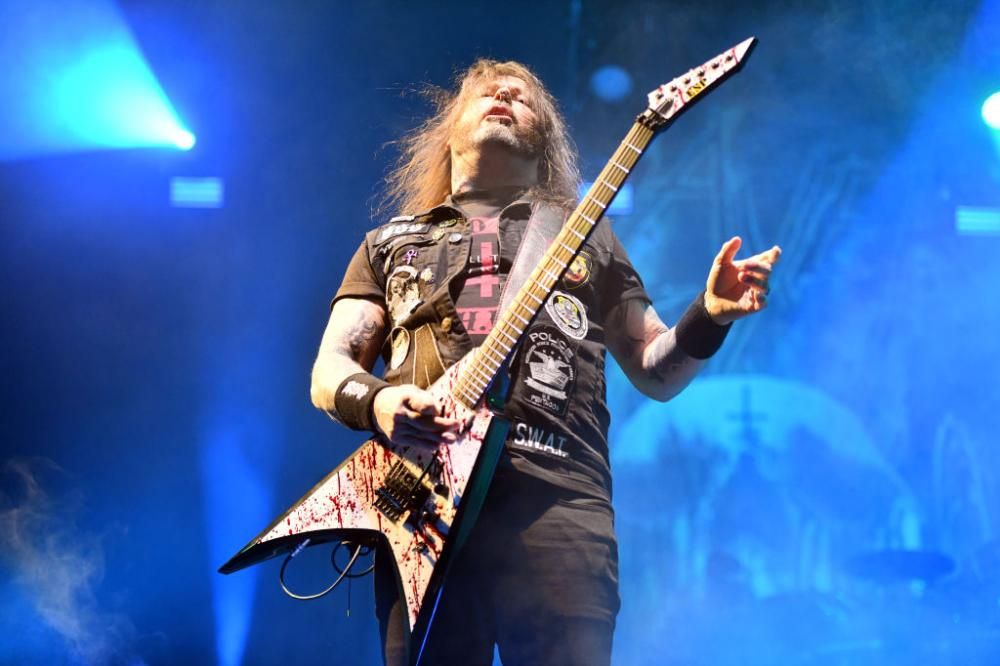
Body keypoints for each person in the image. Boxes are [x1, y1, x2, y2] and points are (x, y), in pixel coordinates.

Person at [309, 59, 780, 666]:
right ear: (450, 127)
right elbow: (330, 368)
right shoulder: (387, 242)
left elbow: (655, 369)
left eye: (522, 96)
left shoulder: (586, 237)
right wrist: (379, 403)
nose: (505, 94)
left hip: (559, 502)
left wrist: (709, 315)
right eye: (487, 91)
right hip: (421, 510)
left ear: (545, 140)